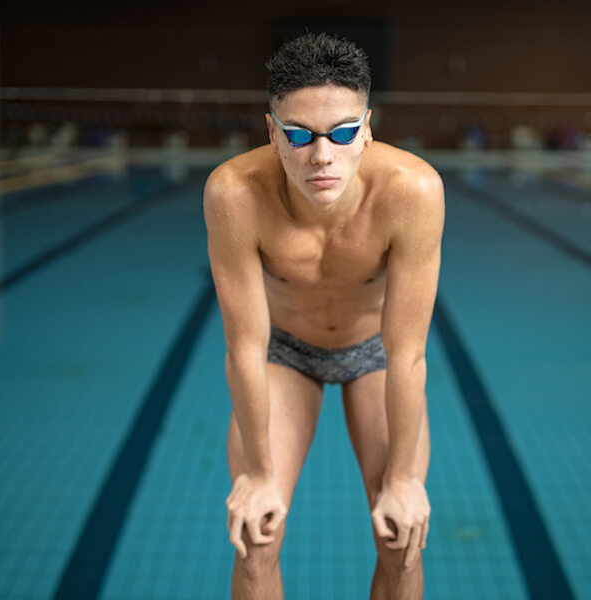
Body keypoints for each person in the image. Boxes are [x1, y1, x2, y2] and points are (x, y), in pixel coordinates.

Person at [203, 32, 444, 600]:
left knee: (401, 538)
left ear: (367, 127)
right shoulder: (234, 194)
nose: (321, 157)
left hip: (376, 353)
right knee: (257, 536)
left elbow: (408, 352)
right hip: (286, 351)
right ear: (271, 130)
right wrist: (259, 476)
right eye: (298, 135)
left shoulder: (412, 191)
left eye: (341, 133)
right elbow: (243, 348)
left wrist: (405, 481)